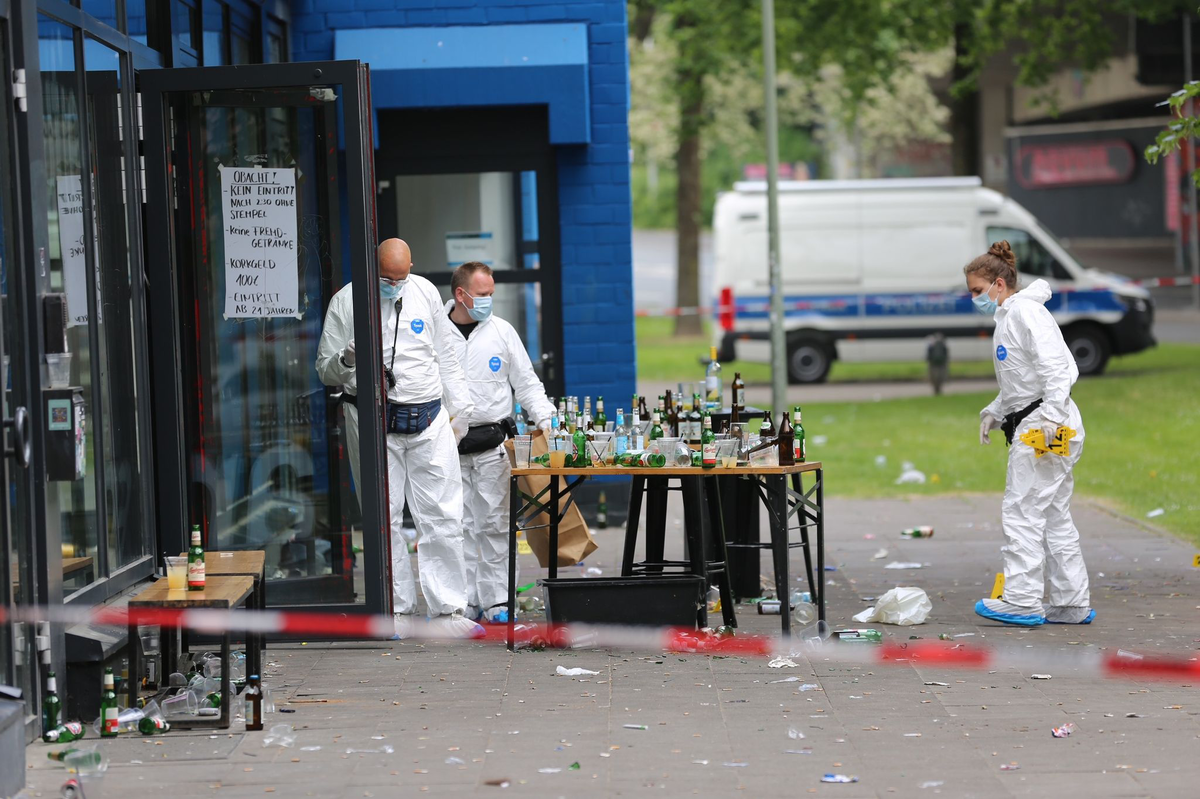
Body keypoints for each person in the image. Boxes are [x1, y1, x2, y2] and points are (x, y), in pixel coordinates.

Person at [315, 238, 483, 639]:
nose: (393, 285)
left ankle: (448, 611)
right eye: (386, 279)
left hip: (428, 418)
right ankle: (396, 610)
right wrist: (348, 358)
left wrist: (461, 412)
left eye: (400, 278)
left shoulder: (424, 291)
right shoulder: (346, 302)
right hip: (373, 420)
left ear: (411, 268)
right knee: (383, 518)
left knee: (443, 516)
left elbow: (446, 355)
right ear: (371, 268)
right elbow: (325, 371)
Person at [967, 240, 1093, 627]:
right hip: (1047, 420)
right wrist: (996, 411)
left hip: (1044, 425)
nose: (974, 298)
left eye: (977, 290)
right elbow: (1023, 381)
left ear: (998, 285)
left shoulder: (1024, 313)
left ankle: (1021, 600)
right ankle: (1071, 602)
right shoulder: (1011, 316)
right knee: (1052, 513)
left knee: (1022, 510)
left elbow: (1055, 368)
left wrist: (1051, 416)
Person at [444, 261, 556, 623]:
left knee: (495, 524)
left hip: (493, 444)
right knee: (454, 526)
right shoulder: (435, 331)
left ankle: (498, 602)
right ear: (461, 294)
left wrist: (547, 419)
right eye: (482, 294)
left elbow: (526, 383)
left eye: (491, 293)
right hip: (447, 445)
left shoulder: (502, 332)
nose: (489, 300)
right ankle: (462, 601)